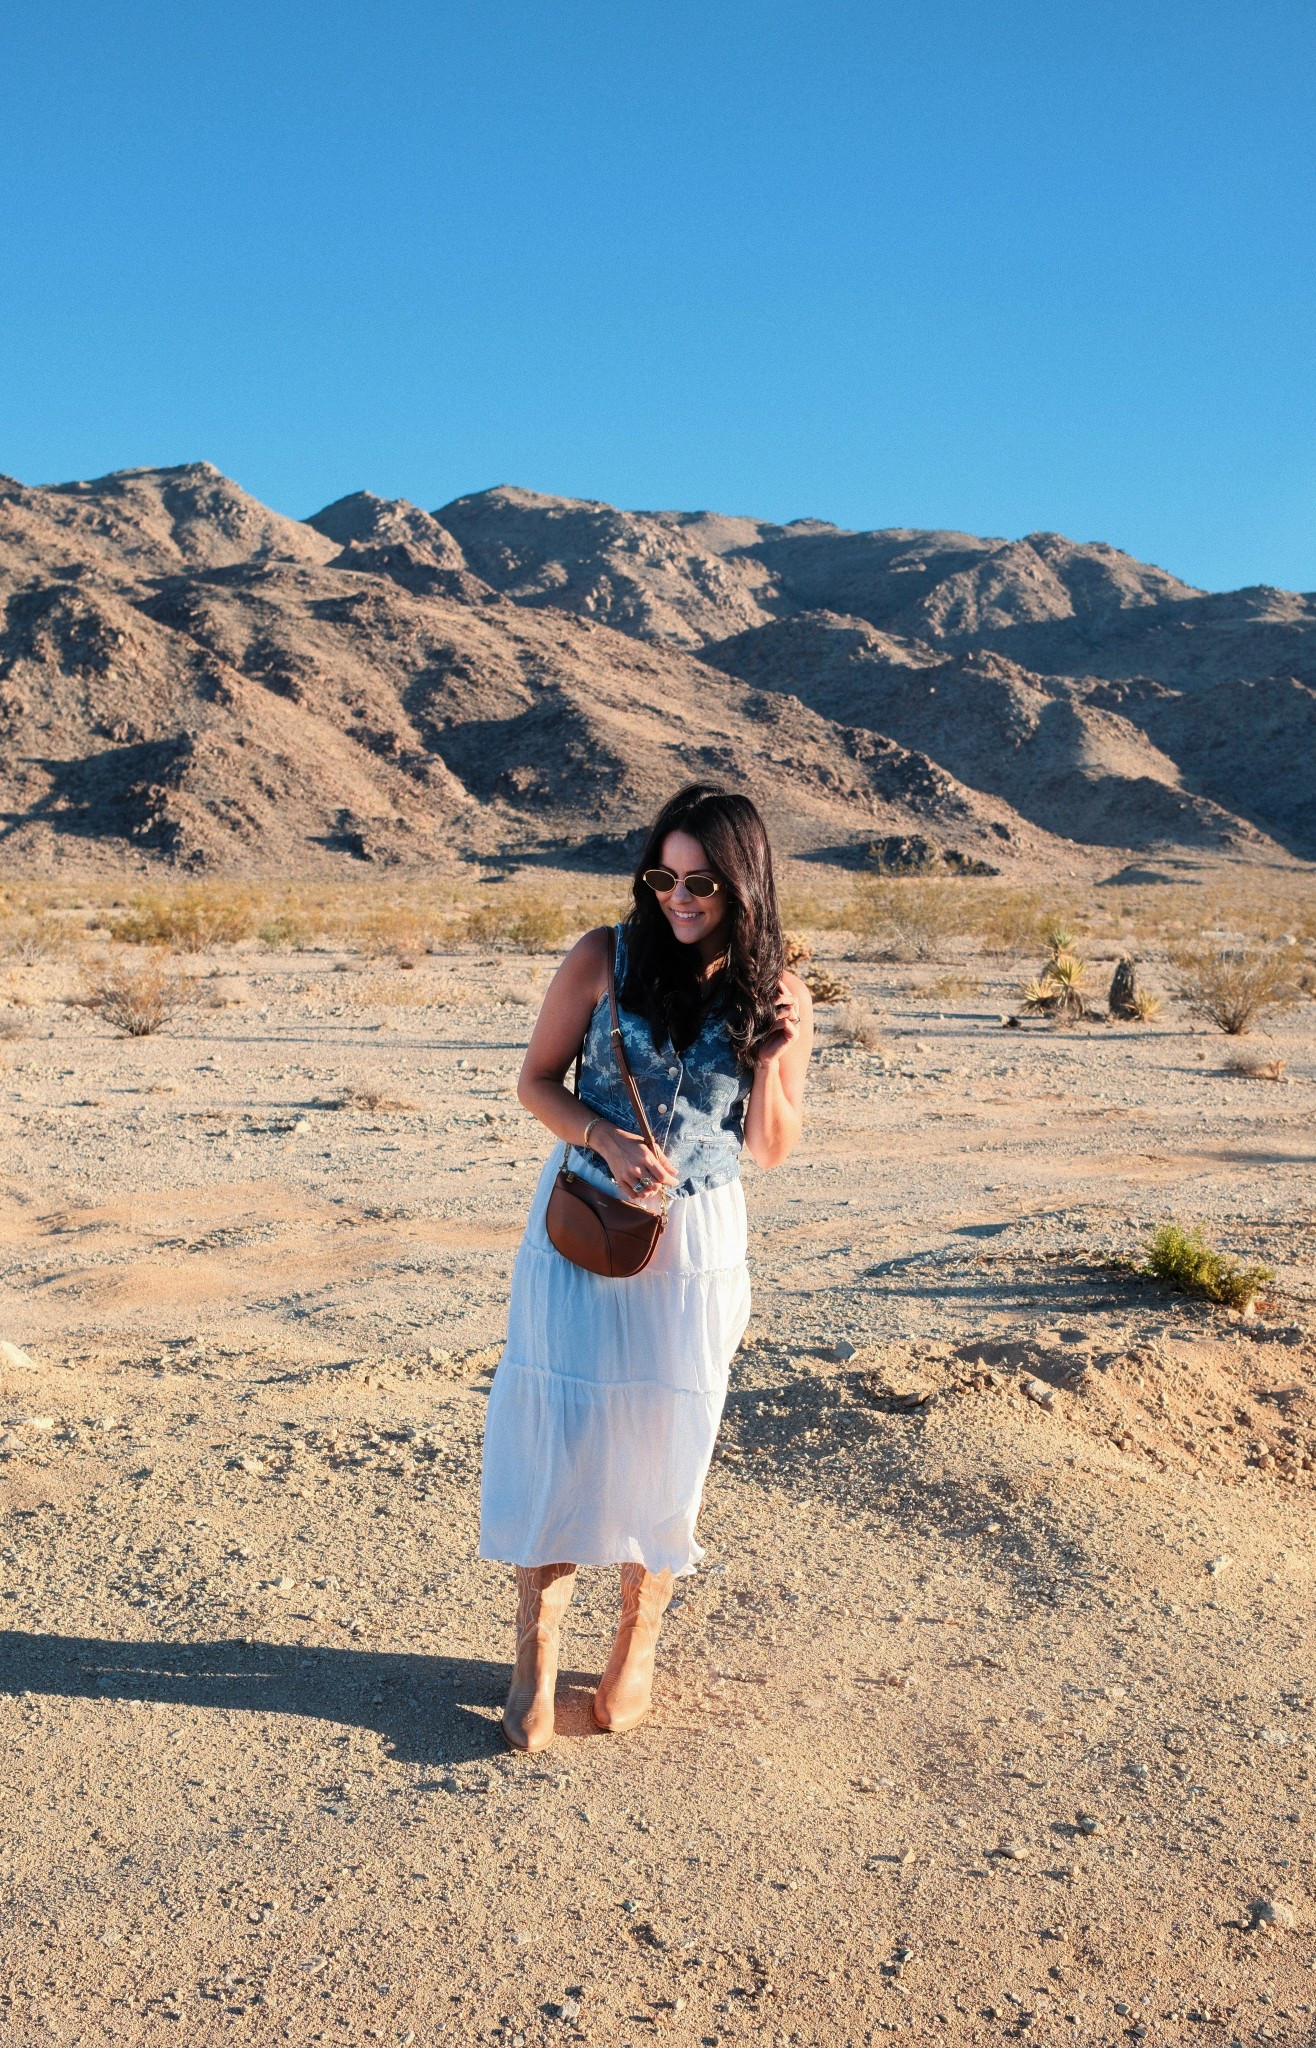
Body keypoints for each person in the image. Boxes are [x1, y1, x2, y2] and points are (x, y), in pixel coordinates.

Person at [478, 783, 813, 1751]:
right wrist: (604, 1137)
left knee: (667, 1438)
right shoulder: (602, 956)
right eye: (661, 876)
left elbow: (773, 1147)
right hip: (584, 1226)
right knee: (564, 1430)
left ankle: (635, 1644)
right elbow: (533, 1081)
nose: (676, 896)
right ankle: (535, 1659)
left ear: (741, 885)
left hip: (696, 1244)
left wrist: (770, 1056)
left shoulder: (777, 992)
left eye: (700, 881)